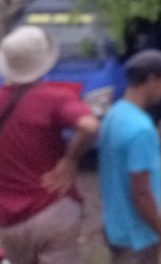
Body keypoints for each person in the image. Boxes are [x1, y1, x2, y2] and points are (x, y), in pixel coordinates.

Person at [0, 26, 100, 264]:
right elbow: (89, 126)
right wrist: (70, 160)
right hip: (52, 208)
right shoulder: (55, 98)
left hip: (8, 219)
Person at [99, 50, 161, 264]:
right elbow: (141, 192)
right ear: (151, 81)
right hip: (137, 237)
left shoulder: (114, 115)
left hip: (115, 228)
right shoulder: (141, 129)